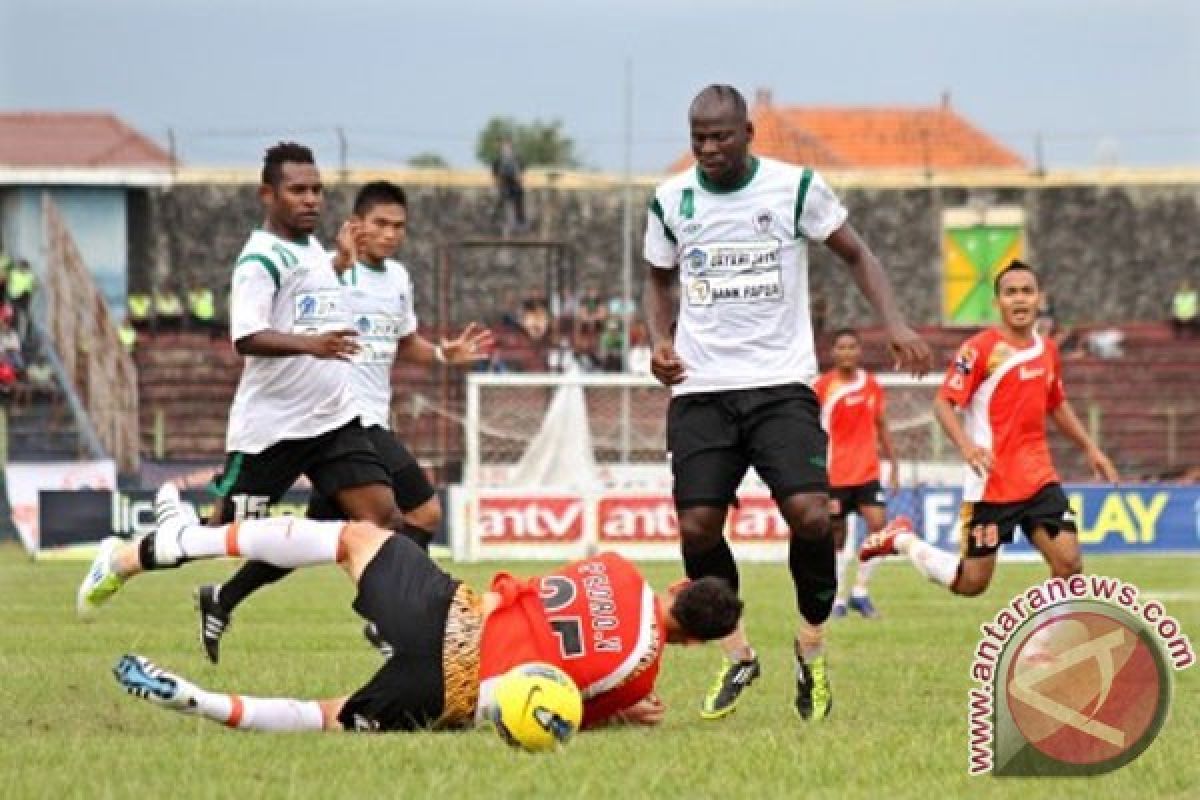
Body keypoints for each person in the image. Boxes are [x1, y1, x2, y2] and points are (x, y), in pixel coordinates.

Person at [643, 84, 931, 722]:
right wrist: (660, 341)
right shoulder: (670, 199)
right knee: (695, 526)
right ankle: (738, 654)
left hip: (780, 386)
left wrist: (895, 323)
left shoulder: (795, 187)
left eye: (721, 136)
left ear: (748, 133)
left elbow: (858, 253)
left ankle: (811, 647)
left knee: (809, 515)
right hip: (701, 389)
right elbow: (658, 278)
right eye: (698, 138)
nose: (709, 148)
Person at [83, 484, 743, 733]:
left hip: (454, 614)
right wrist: (624, 715)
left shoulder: (619, 570)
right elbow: (561, 711)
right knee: (331, 718)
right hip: (457, 690)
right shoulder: (643, 674)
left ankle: (180, 540)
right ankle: (203, 702)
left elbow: (539, 594)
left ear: (681, 588)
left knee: (353, 537)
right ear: (690, 642)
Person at [197, 168, 490, 664]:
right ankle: (393, 618)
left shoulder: (398, 280)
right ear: (357, 223)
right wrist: (336, 262)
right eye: (380, 223)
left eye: (399, 226)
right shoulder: (332, 272)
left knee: (317, 538)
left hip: (361, 423)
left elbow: (403, 343)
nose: (390, 234)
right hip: (342, 421)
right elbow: (291, 305)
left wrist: (443, 354)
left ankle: (223, 598)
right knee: (420, 513)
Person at [861, 261, 1119, 597]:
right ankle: (903, 540)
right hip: (991, 482)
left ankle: (1044, 647)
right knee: (973, 582)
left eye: (1027, 291)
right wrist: (967, 447)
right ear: (998, 303)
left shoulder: (1048, 351)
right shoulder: (980, 349)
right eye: (1011, 293)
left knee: (1069, 564)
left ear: (1040, 299)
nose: (1020, 299)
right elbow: (942, 404)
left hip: (1037, 477)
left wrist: (1090, 447)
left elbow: (1055, 404)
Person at [812, 329, 898, 619]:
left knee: (879, 528)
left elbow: (882, 425)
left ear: (859, 352)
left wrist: (894, 465)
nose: (847, 352)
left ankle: (860, 592)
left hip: (867, 473)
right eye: (841, 347)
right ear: (833, 353)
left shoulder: (871, 386)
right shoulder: (822, 388)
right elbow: (812, 433)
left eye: (852, 347)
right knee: (837, 538)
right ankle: (837, 598)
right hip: (834, 475)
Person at [492, 137, 526, 235]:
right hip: (504, 185)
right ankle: (498, 221)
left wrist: (518, 177)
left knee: (518, 200)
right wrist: (498, 182)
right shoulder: (498, 160)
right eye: (504, 148)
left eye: (507, 148)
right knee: (501, 201)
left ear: (511, 148)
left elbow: (521, 172)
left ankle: (520, 223)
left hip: (515, 185)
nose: (505, 150)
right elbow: (495, 174)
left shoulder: (517, 159)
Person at [7, 258, 35, 341]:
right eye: (22, 267)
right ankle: (12, 333)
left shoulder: (30, 275)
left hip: (24, 297)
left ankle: (28, 334)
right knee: (14, 315)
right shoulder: (14, 273)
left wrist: (28, 293)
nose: (23, 269)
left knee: (26, 316)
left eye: (25, 268)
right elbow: (9, 282)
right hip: (14, 296)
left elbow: (32, 286)